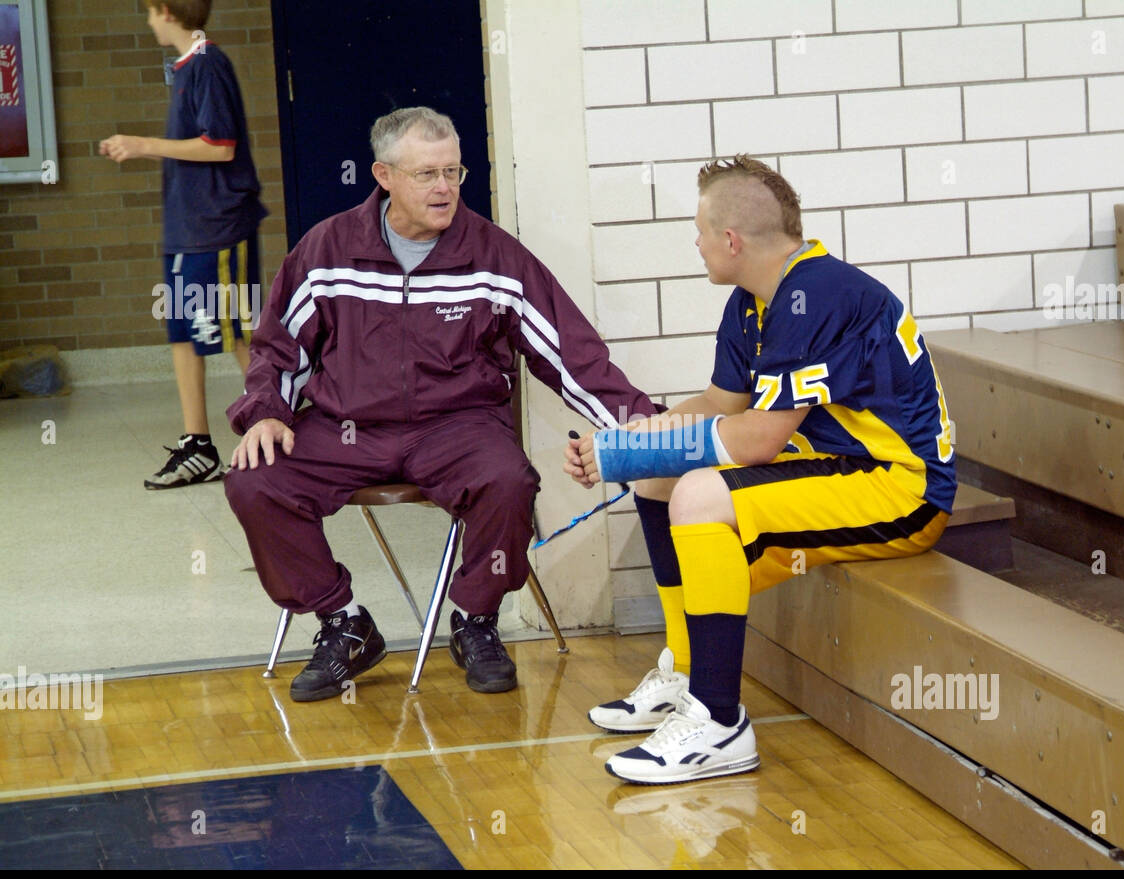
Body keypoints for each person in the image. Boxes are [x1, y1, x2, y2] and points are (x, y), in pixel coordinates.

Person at [224, 106, 657, 702]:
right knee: (254, 480)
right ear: (384, 176)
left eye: (454, 172)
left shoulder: (495, 257)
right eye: (427, 174)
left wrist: (645, 429)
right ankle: (343, 622)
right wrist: (266, 411)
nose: (444, 188)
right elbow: (277, 348)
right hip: (347, 427)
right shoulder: (327, 248)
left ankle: (474, 620)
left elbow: (572, 356)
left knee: (509, 481)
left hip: (458, 427)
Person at [567, 156, 956, 785]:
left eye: (698, 230)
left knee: (697, 494)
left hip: (900, 489)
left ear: (731, 240)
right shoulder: (756, 298)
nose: (693, 243)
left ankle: (719, 724)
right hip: (834, 467)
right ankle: (686, 673)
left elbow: (756, 441)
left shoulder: (816, 296)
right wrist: (628, 441)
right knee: (657, 480)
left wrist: (622, 454)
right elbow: (722, 407)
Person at [99, 0, 266, 489]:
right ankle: (199, 446)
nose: (148, 22)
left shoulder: (209, 64)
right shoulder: (187, 66)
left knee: (237, 331)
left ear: (166, 11)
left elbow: (221, 144)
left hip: (218, 228)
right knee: (182, 333)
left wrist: (143, 144)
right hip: (186, 229)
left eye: (150, 12)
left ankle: (275, 424)